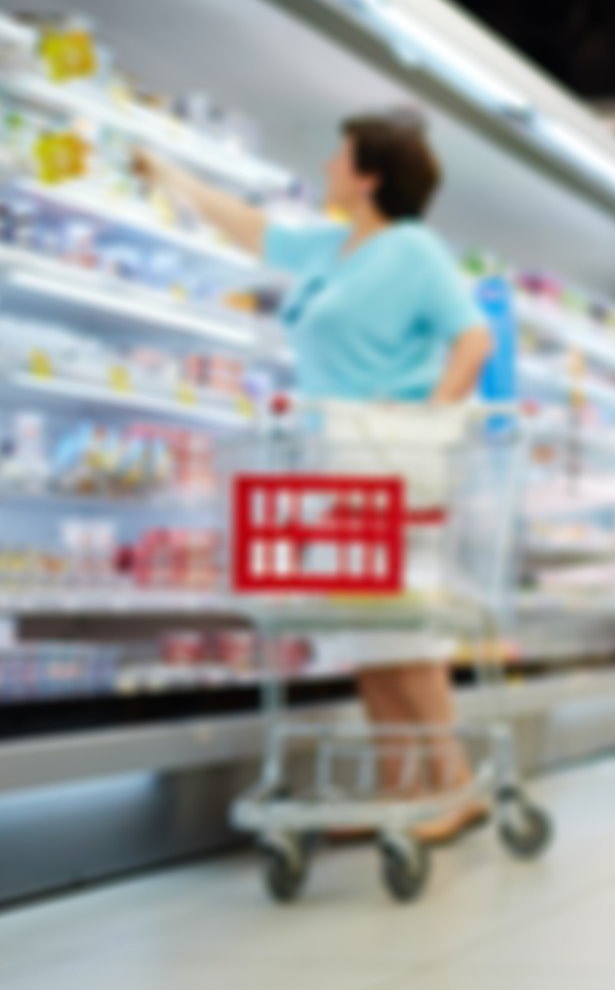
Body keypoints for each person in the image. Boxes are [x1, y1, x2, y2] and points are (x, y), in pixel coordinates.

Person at [137, 109, 495, 844]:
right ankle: (395, 791)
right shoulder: (332, 247)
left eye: (340, 158)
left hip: (395, 470)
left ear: (369, 176)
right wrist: (172, 177)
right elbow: (249, 226)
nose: (328, 167)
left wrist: (431, 416)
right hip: (333, 467)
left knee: (406, 634)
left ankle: (453, 786)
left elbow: (474, 336)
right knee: (364, 635)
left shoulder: (414, 250)